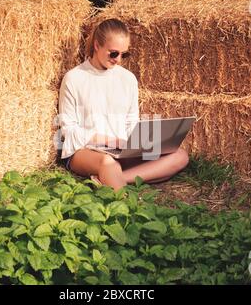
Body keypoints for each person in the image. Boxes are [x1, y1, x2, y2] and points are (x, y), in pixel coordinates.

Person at [58, 18, 189, 192]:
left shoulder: (128, 79)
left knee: (179, 156)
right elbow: (68, 130)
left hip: (121, 150)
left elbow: (131, 122)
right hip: (84, 151)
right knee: (107, 162)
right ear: (97, 46)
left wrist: (140, 143)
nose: (118, 60)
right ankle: (128, 205)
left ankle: (113, 177)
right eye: (113, 53)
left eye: (124, 54)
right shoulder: (74, 78)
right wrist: (107, 140)